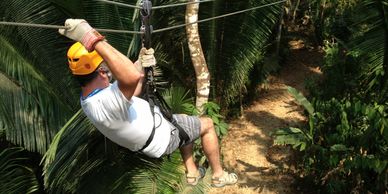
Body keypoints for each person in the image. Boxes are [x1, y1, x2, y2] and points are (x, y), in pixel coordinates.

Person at [59, 19, 238, 187]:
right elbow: (129, 77)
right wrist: (91, 38)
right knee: (206, 124)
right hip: (163, 135)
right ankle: (218, 175)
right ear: (101, 72)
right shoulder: (105, 102)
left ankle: (192, 173)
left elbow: (129, 93)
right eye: (107, 66)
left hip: (155, 133)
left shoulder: (90, 99)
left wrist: (141, 65)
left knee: (184, 121)